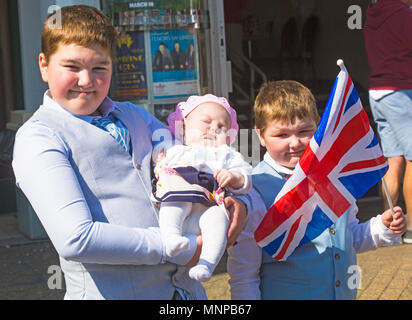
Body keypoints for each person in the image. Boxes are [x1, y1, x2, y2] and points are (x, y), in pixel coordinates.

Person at [12, 5, 246, 300]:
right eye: (72, 67)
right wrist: (180, 246)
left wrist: (236, 199)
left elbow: (194, 163)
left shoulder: (136, 115)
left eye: (100, 68)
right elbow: (76, 238)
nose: (86, 81)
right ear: (44, 65)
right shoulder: (39, 137)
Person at [227, 80, 407, 299]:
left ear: (319, 127)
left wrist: (382, 226)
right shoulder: (253, 190)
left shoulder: (335, 177)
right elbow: (245, 273)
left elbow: (348, 238)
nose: (295, 143)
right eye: (282, 135)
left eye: (304, 131)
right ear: (261, 136)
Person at [154, 94, 252, 282]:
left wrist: (234, 177)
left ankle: (207, 264)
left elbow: (245, 174)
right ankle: (171, 237)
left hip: (207, 208)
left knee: (218, 220)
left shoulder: (225, 154)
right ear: (182, 127)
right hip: (180, 199)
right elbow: (156, 159)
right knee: (175, 202)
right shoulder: (174, 147)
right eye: (206, 122)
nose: (214, 128)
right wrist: (158, 157)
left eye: (222, 127)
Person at [364, 0, 412, 244]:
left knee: (394, 159)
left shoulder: (374, 13)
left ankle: (390, 226)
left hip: (378, 92)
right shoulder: (403, 14)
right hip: (401, 91)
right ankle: (411, 228)